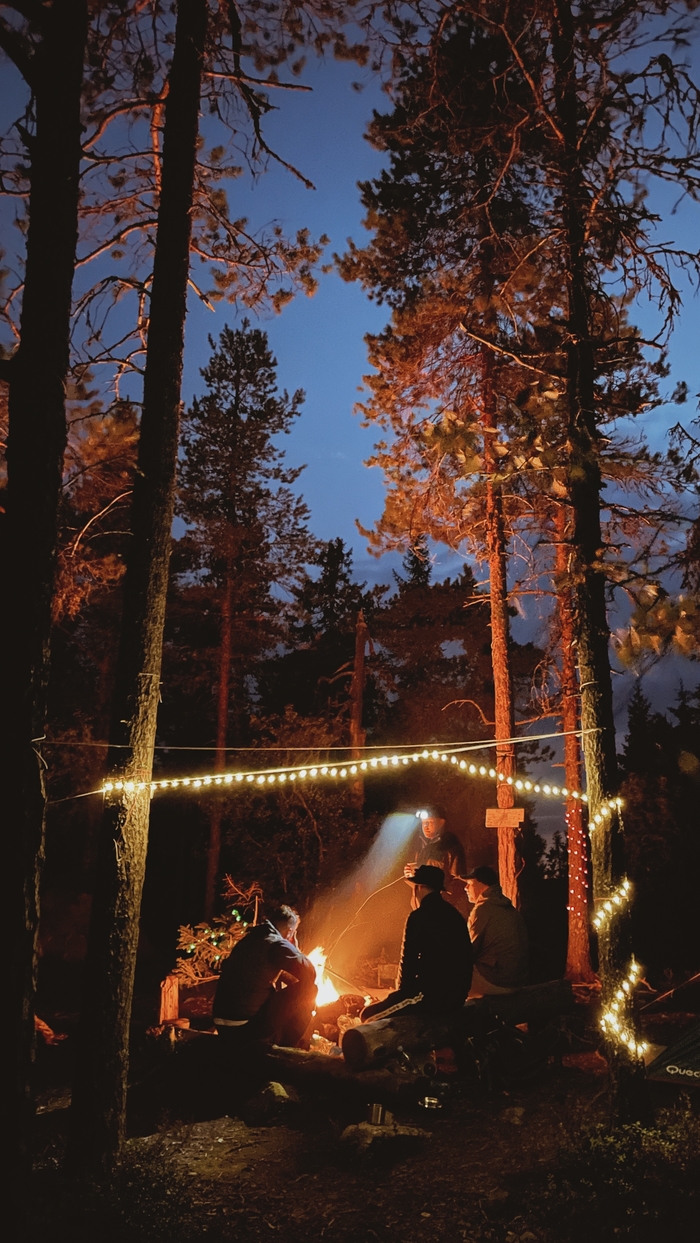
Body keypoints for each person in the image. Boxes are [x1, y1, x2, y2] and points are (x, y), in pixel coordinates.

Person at [362, 865, 473, 1021]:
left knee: (368, 1016)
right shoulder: (454, 914)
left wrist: (401, 995)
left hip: (430, 997)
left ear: (419, 888)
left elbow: (408, 962)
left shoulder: (418, 917)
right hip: (457, 996)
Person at [213, 904, 316, 1047]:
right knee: (309, 989)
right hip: (243, 1029)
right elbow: (310, 973)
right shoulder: (276, 943)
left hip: (222, 1026)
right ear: (289, 932)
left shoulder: (251, 939)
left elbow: (262, 972)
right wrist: (296, 949)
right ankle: (286, 1047)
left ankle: (275, 1038)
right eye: (294, 932)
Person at [464, 866, 528, 996]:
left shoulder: (483, 909)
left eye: (469, 884)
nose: (465, 888)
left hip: (498, 981)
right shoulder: (507, 907)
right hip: (517, 980)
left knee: (450, 968)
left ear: (482, 884)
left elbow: (468, 951)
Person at [403, 804, 467, 889]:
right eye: (423, 822)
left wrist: (424, 876)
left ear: (441, 822)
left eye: (430, 822)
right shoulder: (420, 845)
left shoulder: (451, 846)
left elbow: (458, 882)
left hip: (439, 897)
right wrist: (410, 874)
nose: (425, 826)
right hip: (422, 897)